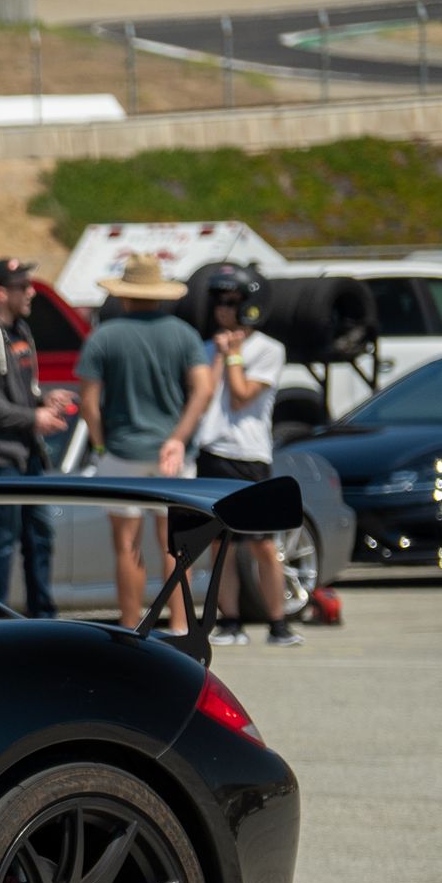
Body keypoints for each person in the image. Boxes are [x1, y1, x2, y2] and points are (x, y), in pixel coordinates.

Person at [75, 253, 214, 632]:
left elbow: (88, 400)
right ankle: (181, 625)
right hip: (171, 453)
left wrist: (101, 445)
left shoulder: (105, 336)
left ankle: (131, 625)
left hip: (121, 451)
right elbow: (203, 389)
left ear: (123, 295)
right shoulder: (183, 334)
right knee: (175, 546)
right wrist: (178, 438)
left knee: (126, 547)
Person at [164, 268, 301, 647]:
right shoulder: (209, 349)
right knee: (220, 544)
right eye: (219, 303)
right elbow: (204, 395)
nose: (223, 311)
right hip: (213, 452)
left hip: (250, 456)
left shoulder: (268, 350)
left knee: (261, 543)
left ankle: (278, 621)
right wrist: (221, 357)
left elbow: (242, 395)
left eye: (231, 303)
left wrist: (235, 355)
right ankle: (230, 621)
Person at [0, 257, 73, 615]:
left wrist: (43, 398)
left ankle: (44, 617)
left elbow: (16, 389)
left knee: (40, 537)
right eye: (24, 287)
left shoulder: (18, 331)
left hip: (28, 456)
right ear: (1, 293)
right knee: (1, 541)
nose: (32, 292)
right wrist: (32, 416)